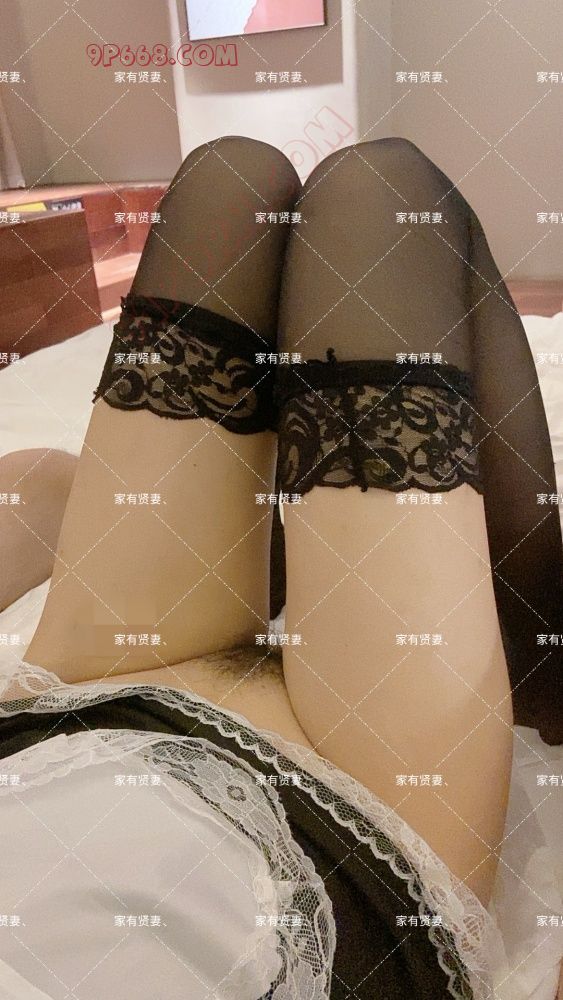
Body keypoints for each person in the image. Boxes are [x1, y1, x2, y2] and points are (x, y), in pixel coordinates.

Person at [1, 135, 561, 999]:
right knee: (380, 193)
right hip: (352, 843)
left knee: (231, 180)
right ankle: (537, 654)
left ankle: (288, 551)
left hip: (68, 713)